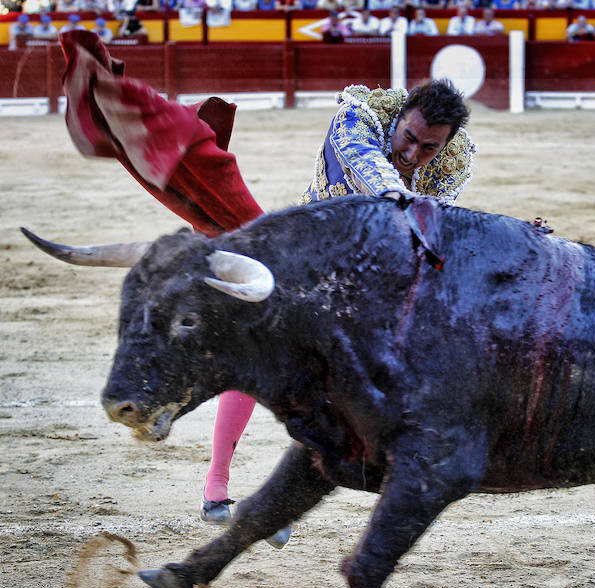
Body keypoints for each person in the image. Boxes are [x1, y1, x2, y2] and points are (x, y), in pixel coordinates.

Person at [57, 29, 475, 546]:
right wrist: (424, 210)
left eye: (428, 147)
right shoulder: (358, 117)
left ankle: (283, 502)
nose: (413, 153)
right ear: (400, 116)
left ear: (446, 144)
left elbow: (439, 225)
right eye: (408, 137)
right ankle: (217, 484)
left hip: (371, 279)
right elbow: (378, 182)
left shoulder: (452, 163)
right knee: (252, 350)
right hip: (302, 253)